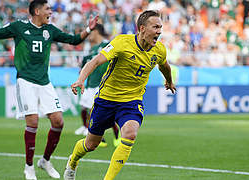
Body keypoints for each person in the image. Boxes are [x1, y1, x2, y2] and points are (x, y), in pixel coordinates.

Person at [0, 1, 98, 180]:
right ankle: (29, 167)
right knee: (33, 123)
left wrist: (88, 28)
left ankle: (45, 161)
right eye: (47, 9)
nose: (51, 11)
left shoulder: (50, 30)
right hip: (25, 81)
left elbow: (74, 40)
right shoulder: (19, 27)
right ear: (37, 11)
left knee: (58, 122)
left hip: (44, 82)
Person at [64, 10, 176, 180]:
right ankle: (72, 161)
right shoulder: (122, 42)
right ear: (142, 29)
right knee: (91, 144)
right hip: (106, 100)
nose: (159, 31)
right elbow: (94, 61)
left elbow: (164, 66)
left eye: (160, 27)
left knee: (130, 133)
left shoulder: (159, 50)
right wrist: (80, 80)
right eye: (155, 27)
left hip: (131, 101)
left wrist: (169, 80)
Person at [75, 24, 120, 147]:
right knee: (86, 109)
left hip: (101, 84)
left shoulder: (107, 45)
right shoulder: (92, 49)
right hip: (90, 85)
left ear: (97, 32)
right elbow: (87, 64)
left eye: (91, 31)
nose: (89, 35)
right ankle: (97, 136)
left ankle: (115, 134)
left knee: (99, 112)